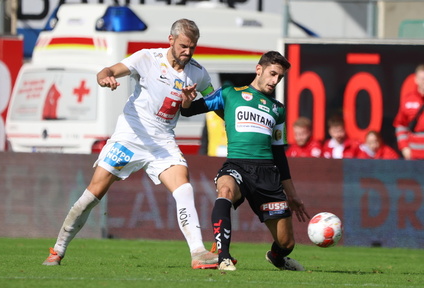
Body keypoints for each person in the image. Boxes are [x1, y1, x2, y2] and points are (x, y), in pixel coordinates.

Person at [42, 19, 219, 269]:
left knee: (184, 187)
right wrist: (106, 79)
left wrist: (190, 103)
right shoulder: (146, 58)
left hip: (162, 141)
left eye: (192, 47)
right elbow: (106, 71)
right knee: (92, 196)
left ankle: (198, 252)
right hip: (130, 136)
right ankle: (58, 250)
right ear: (171, 40)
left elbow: (212, 99)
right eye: (183, 46)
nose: (188, 52)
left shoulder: (198, 72)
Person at [180, 51, 310, 271]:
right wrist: (186, 101)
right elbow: (190, 111)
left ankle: (277, 257)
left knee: (286, 243)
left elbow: (279, 155)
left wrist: (293, 194)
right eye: (272, 74)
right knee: (225, 192)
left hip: (267, 174)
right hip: (237, 165)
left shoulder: (278, 109)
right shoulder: (230, 94)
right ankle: (224, 257)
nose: (275, 81)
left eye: (279, 77)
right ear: (258, 69)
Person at [393, 64, 424, 160]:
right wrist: (404, 148)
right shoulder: (408, 100)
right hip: (413, 157)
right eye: (422, 78)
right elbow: (400, 125)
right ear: (416, 79)